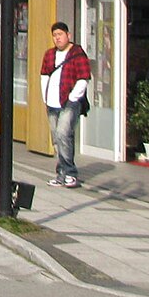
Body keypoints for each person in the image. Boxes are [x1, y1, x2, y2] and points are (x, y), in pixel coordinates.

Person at [39, 21, 92, 188]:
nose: (57, 38)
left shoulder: (77, 54)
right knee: (56, 139)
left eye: (60, 35)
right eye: (54, 35)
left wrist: (73, 97)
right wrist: (45, 98)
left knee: (63, 134)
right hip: (52, 102)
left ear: (68, 35)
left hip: (69, 102)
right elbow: (44, 75)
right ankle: (61, 173)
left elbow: (84, 78)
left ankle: (70, 172)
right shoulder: (49, 55)